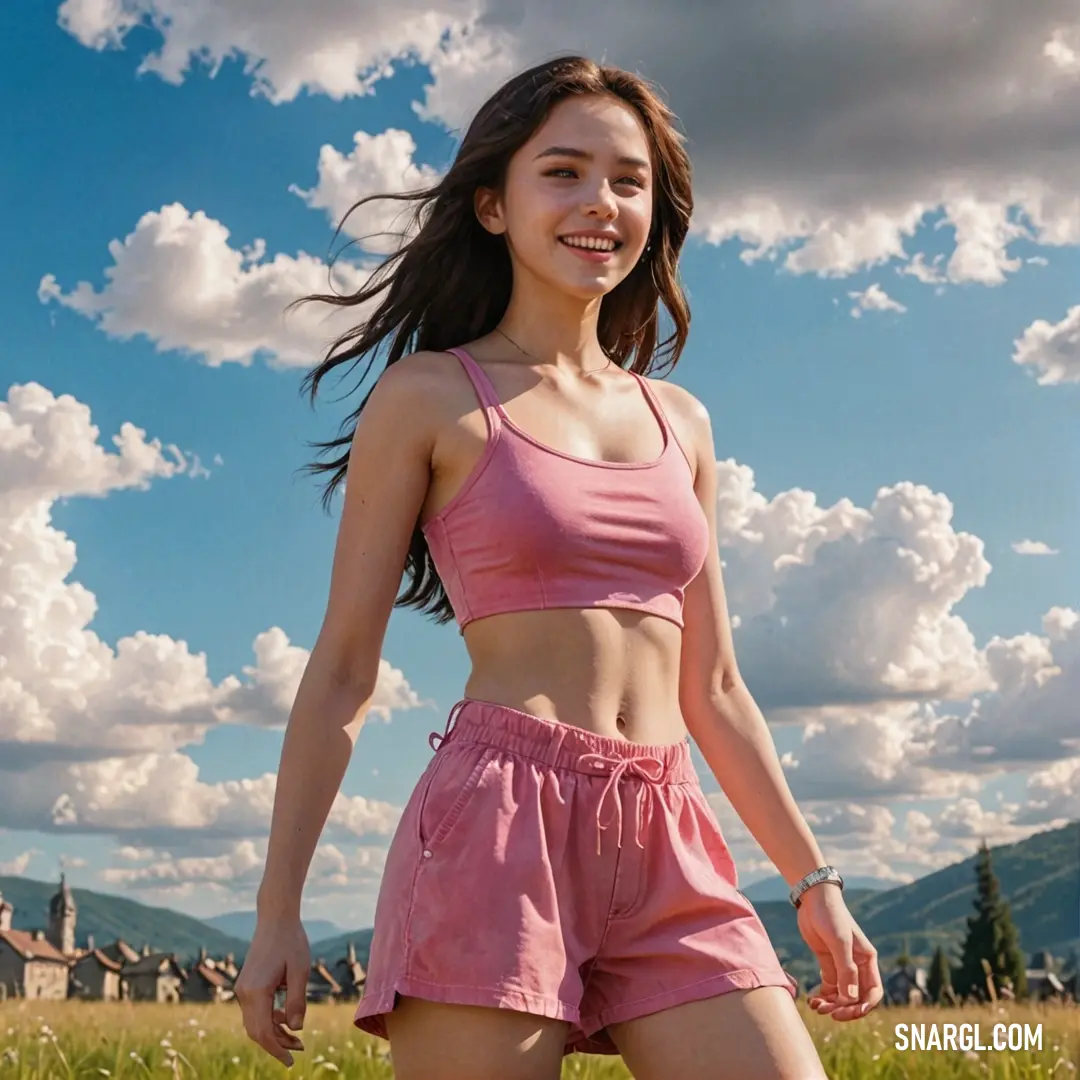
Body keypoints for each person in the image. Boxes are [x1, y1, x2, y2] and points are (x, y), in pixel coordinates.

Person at [234, 53, 884, 1080]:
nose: (601, 203)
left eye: (629, 181)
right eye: (564, 172)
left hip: (669, 828)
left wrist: (815, 881)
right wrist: (278, 911)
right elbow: (346, 670)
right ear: (492, 206)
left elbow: (712, 684)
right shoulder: (430, 397)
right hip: (499, 824)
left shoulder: (682, 421)